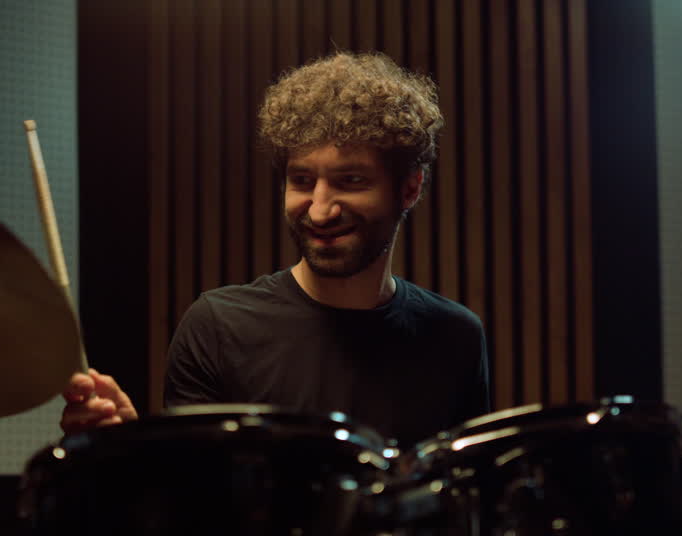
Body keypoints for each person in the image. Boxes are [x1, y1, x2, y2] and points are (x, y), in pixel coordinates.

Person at [61, 51, 490, 446]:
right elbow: (192, 509)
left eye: (350, 181)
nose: (320, 210)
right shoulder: (219, 327)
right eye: (302, 181)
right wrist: (124, 451)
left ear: (409, 189)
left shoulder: (455, 338)